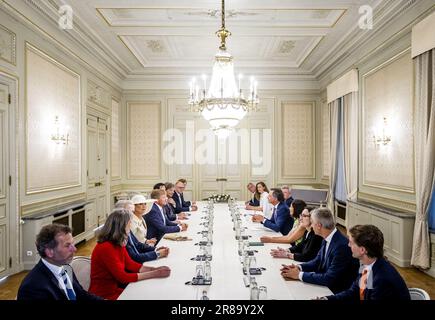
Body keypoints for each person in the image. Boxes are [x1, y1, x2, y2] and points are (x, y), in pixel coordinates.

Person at [89, 209, 171, 300]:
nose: (130, 228)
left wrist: (155, 269)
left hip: (115, 290)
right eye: (129, 225)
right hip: (103, 295)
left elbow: (130, 264)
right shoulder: (106, 247)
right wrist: (154, 273)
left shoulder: (118, 241)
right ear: (121, 227)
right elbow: (122, 277)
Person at [280, 208, 359, 294]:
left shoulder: (341, 246)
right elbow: (317, 261)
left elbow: (329, 278)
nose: (311, 226)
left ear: (318, 225)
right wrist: (298, 267)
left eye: (312, 223)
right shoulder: (327, 237)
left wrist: (299, 275)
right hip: (324, 286)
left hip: (334, 292)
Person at [17, 224, 102, 300]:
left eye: (73, 244)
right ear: (49, 252)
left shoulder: (66, 267)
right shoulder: (33, 288)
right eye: (67, 245)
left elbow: (81, 295)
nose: (74, 249)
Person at [325, 224, 410, 300]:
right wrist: (326, 299)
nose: (348, 245)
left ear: (362, 250)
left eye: (351, 242)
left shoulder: (382, 279)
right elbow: (355, 291)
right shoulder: (366, 265)